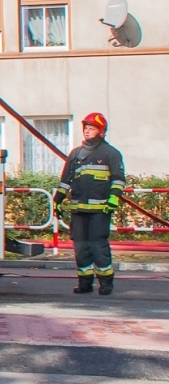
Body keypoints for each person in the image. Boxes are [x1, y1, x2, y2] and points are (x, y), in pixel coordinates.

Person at [56, 112, 126, 295]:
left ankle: (106, 284)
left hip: (99, 209)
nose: (87, 131)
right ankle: (85, 283)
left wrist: (113, 199)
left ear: (101, 132)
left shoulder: (111, 154)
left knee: (97, 246)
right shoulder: (76, 154)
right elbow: (65, 181)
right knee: (80, 247)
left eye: (92, 128)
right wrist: (58, 200)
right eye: (85, 128)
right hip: (78, 209)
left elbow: (118, 180)